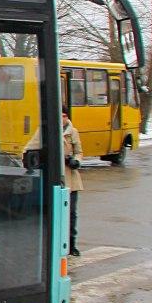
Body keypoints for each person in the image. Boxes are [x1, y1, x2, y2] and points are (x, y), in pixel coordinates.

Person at [62, 106, 84, 257]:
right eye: (60, 115)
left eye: (65, 115)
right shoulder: (48, 129)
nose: (62, 118)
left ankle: (72, 244)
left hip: (71, 177)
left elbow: (79, 152)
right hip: (56, 177)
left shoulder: (73, 132)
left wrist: (76, 161)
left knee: (71, 213)